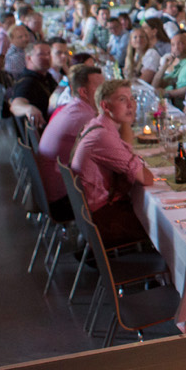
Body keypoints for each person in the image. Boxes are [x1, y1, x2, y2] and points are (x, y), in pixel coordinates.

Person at [70, 81, 155, 247]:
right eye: (123, 100)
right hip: (101, 219)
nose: (131, 105)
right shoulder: (102, 136)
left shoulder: (98, 124)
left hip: (90, 212)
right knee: (162, 227)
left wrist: (126, 125)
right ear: (105, 105)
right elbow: (146, 178)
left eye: (132, 98)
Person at [32, 65, 104, 222]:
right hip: (65, 201)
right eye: (100, 88)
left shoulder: (74, 108)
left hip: (50, 194)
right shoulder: (84, 118)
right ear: (83, 92)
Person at [3, 42, 56, 129]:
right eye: (41, 54)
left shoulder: (46, 76)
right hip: (48, 130)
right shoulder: (27, 82)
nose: (47, 57)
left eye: (49, 53)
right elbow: (15, 105)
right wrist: (28, 109)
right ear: (28, 58)